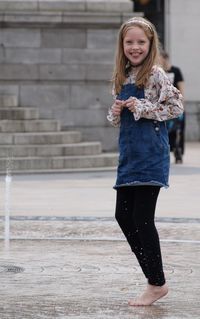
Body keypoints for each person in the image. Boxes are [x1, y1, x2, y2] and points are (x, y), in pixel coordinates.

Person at [107, 17, 183, 306]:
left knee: (141, 218)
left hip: (151, 155)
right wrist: (116, 110)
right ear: (122, 45)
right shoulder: (120, 76)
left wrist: (142, 106)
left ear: (150, 45)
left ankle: (156, 282)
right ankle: (155, 279)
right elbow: (116, 120)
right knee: (123, 216)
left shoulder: (156, 74)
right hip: (129, 157)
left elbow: (176, 107)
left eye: (141, 42)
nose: (135, 47)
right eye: (130, 42)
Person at [159, 50, 185, 163]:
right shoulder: (158, 72)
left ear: (165, 58)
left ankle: (178, 151)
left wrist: (181, 104)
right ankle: (166, 151)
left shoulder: (175, 71)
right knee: (166, 130)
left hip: (174, 106)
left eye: (159, 58)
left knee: (177, 130)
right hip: (162, 107)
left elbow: (181, 87)